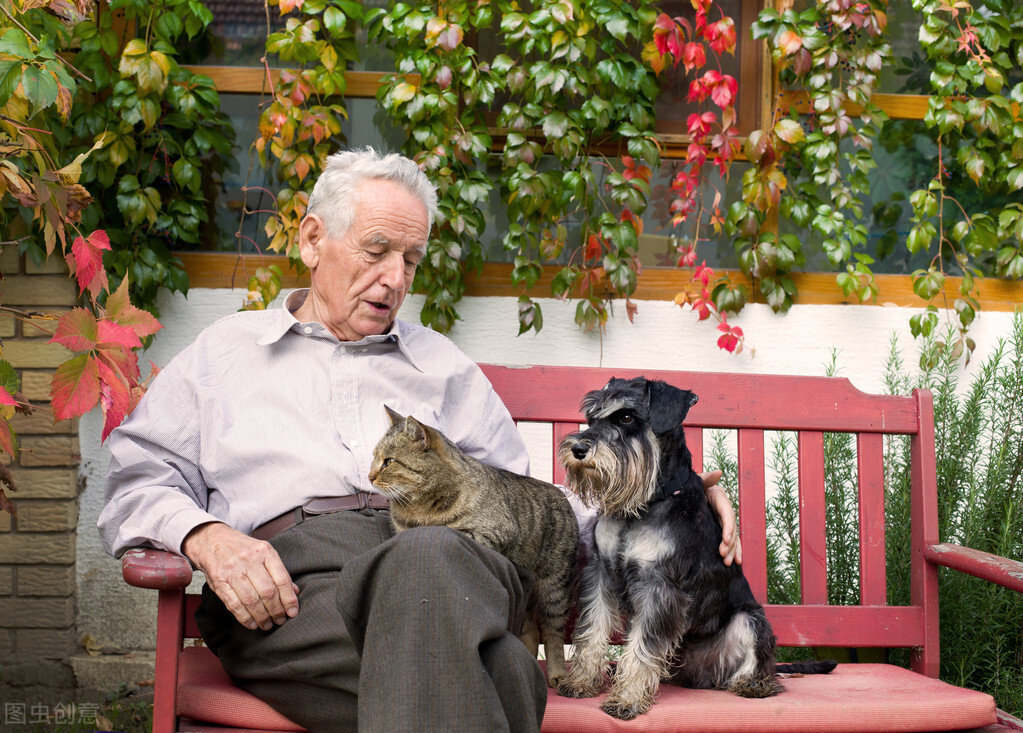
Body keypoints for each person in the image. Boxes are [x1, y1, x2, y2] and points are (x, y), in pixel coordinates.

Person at [98, 147, 742, 733]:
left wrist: (669, 499)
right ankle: (505, 681)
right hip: (294, 591)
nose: (395, 279)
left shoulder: (441, 365)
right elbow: (136, 477)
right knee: (498, 672)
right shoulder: (224, 353)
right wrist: (205, 537)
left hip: (456, 568)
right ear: (313, 239)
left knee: (429, 556)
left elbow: (526, 505)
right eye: (376, 251)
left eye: (410, 260)